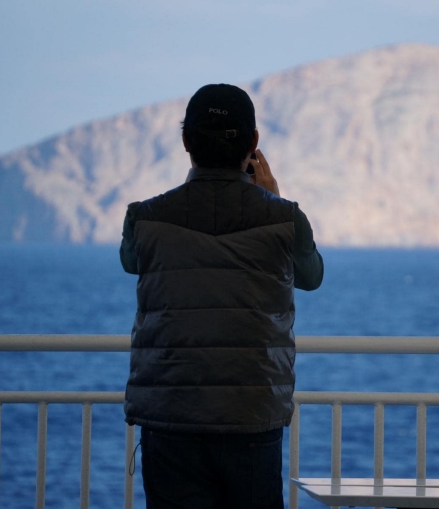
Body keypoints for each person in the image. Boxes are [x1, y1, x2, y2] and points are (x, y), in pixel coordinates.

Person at [119, 83, 324, 509]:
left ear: (186, 142)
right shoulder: (286, 219)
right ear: (253, 144)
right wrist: (271, 199)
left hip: (170, 415)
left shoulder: (145, 217)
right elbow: (311, 276)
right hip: (250, 418)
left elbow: (131, 262)